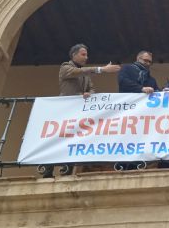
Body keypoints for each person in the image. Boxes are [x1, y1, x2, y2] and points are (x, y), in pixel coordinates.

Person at [46, 44, 120, 178]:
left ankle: (67, 170)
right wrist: (101, 69)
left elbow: (91, 88)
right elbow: (77, 72)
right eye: (83, 54)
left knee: (72, 140)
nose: (86, 57)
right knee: (57, 139)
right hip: (64, 110)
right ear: (74, 55)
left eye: (86, 54)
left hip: (78, 114)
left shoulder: (85, 75)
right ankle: (47, 170)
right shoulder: (65, 67)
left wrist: (88, 93)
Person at [117, 50, 169, 169]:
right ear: (138, 58)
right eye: (145, 60)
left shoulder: (151, 79)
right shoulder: (127, 69)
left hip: (143, 117)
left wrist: (162, 93)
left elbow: (155, 92)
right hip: (128, 112)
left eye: (149, 62)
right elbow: (123, 82)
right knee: (127, 138)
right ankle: (125, 165)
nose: (147, 63)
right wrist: (141, 88)